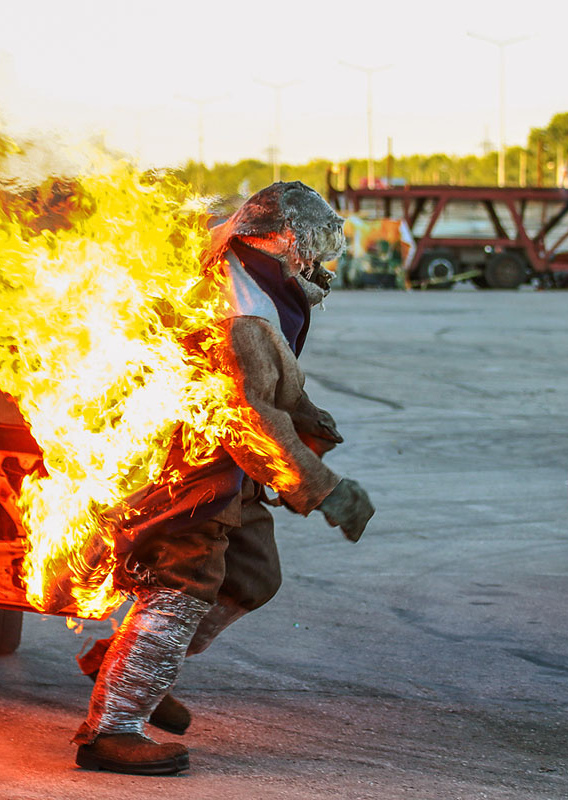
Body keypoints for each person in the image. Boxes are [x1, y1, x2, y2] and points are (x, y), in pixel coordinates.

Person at [72, 182, 375, 775]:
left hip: (225, 463)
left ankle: (125, 660)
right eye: (311, 245)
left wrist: (310, 420)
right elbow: (248, 414)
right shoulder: (245, 308)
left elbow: (270, 384)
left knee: (254, 573)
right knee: (186, 580)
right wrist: (323, 488)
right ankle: (111, 730)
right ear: (283, 238)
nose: (317, 260)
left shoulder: (257, 278)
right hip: (188, 464)